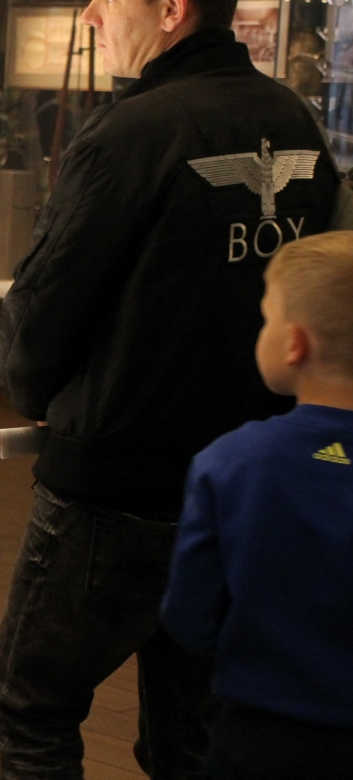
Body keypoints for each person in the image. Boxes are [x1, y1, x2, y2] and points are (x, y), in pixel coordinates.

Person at [0, 0, 341, 777]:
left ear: (171, 7)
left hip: (112, 488)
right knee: (193, 734)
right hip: (245, 479)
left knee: (33, 707)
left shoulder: (127, 133)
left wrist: (36, 393)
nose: (91, 14)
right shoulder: (293, 120)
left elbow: (42, 314)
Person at [161, 232, 353, 780]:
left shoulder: (233, 462)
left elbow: (190, 618)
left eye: (266, 318)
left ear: (294, 343)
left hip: (264, 737)